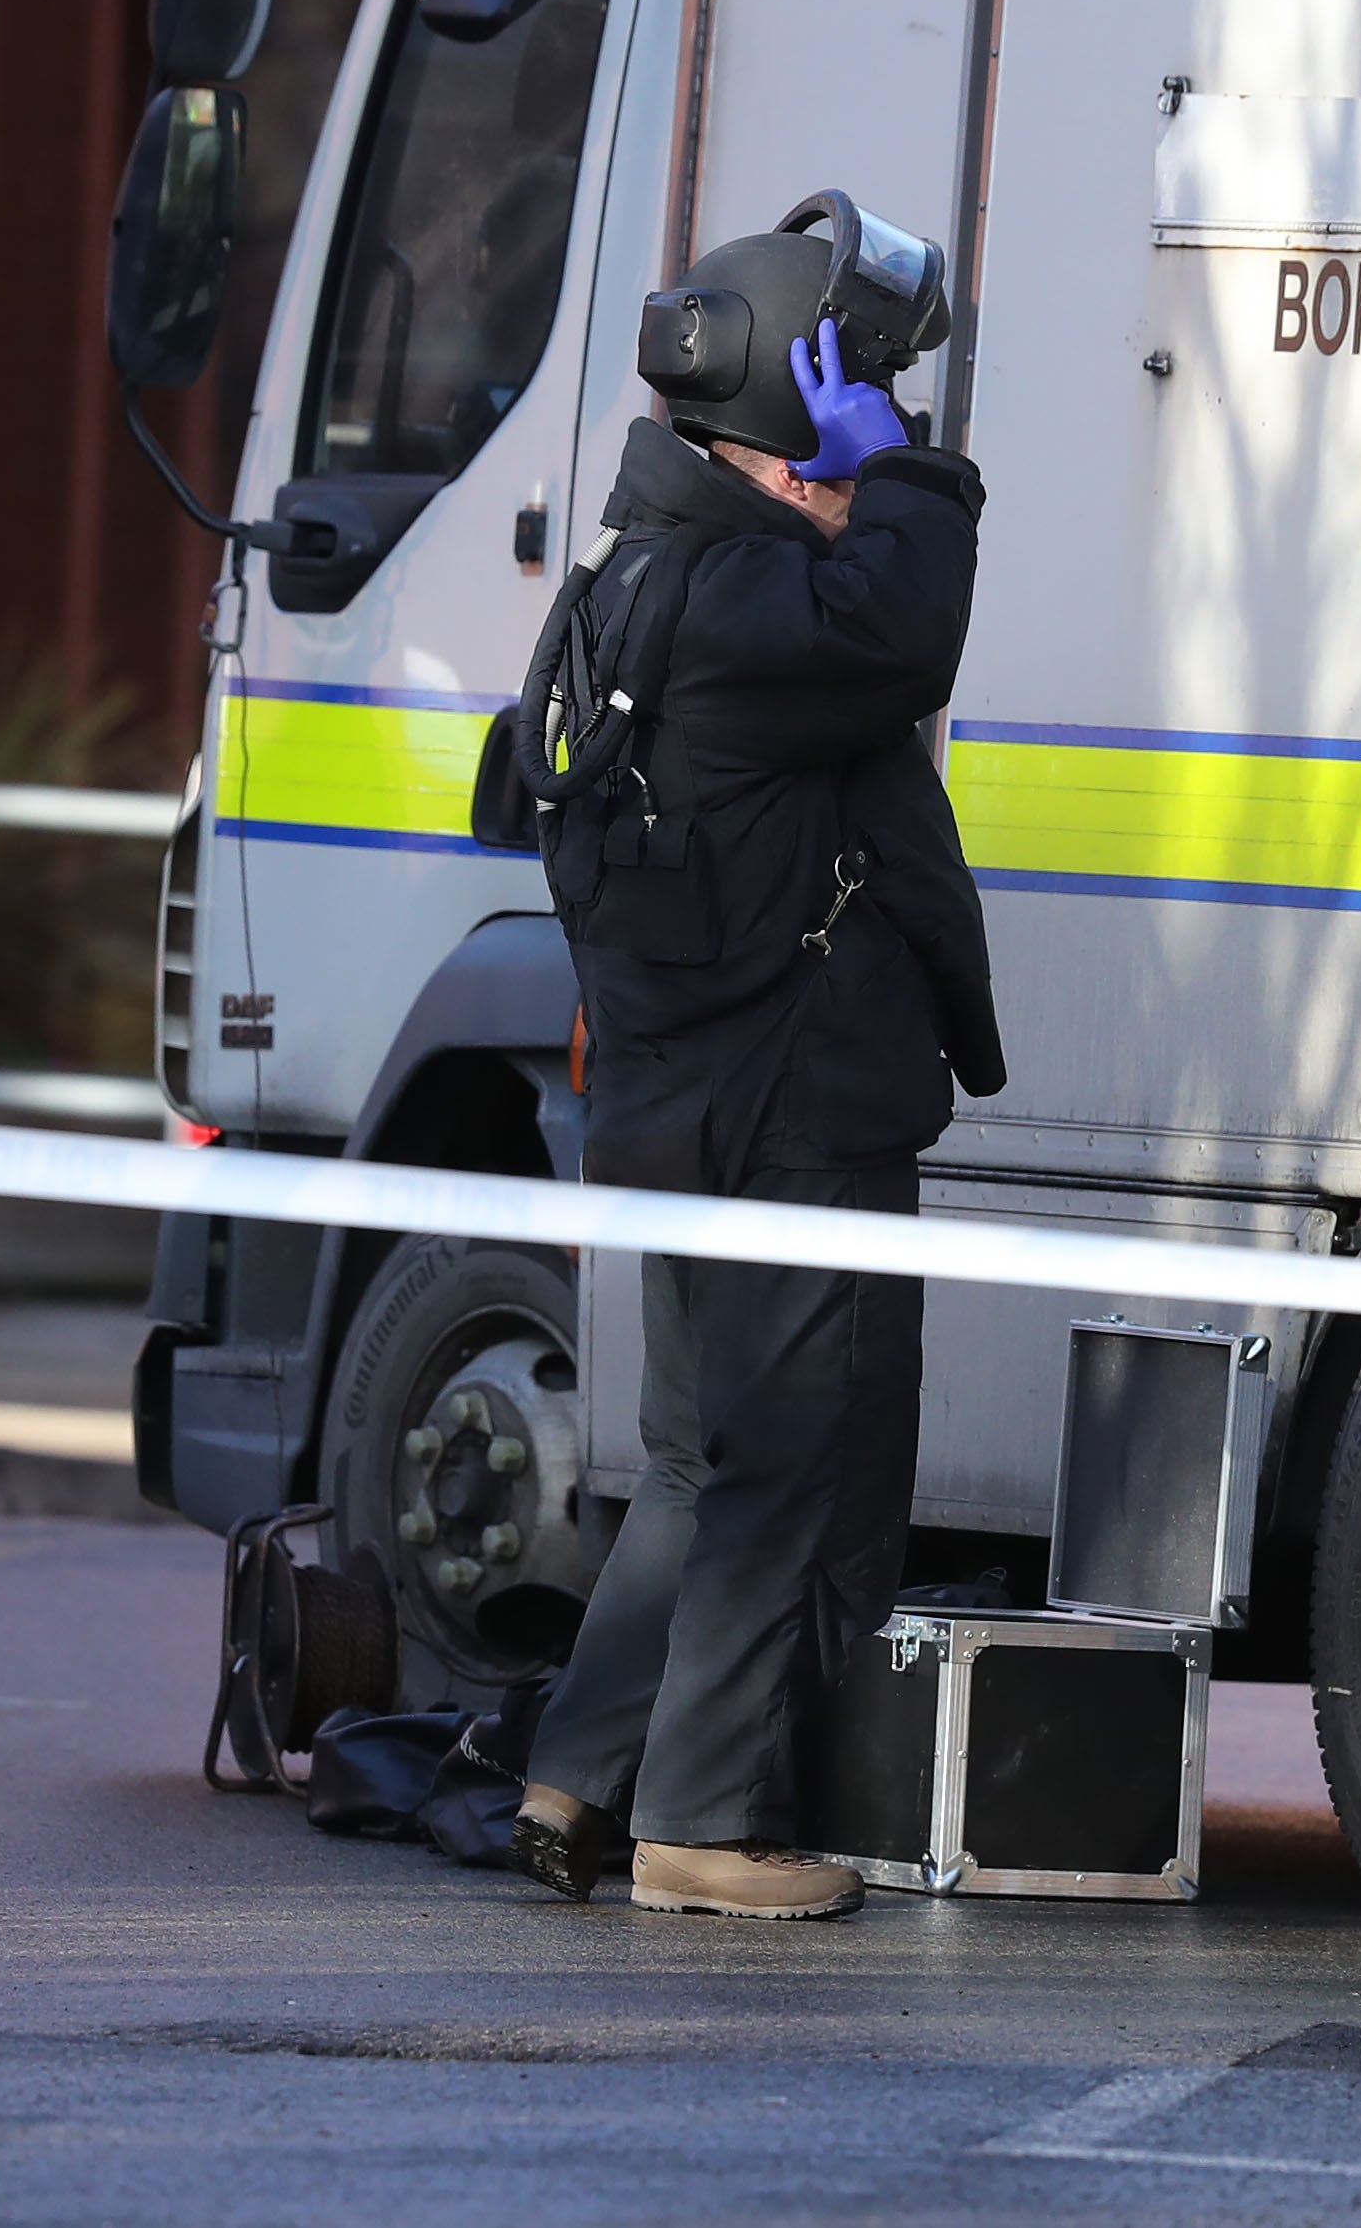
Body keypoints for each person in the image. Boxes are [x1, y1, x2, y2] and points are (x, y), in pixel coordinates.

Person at [501, 194, 1003, 1921]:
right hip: (788, 1107)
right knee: (782, 1458)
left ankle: (574, 1777)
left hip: (679, 1098)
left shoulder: (623, 584)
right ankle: (698, 1825)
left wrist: (868, 482)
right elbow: (901, 637)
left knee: (700, 1458)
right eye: (838, 447)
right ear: (781, 446)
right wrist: (921, 481)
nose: (854, 485)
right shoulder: (738, 608)